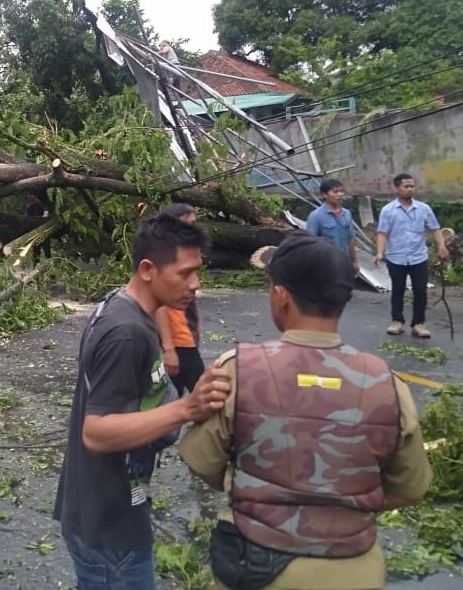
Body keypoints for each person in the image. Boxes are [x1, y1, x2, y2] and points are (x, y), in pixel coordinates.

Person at [180, 231, 433, 590]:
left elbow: (203, 463)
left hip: (256, 565)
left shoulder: (237, 370)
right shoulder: (387, 384)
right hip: (353, 572)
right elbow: (411, 488)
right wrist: (339, 505)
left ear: (281, 297)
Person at [54, 213, 230, 588]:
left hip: (112, 504)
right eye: (184, 273)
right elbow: (96, 433)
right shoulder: (126, 331)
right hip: (107, 520)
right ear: (148, 269)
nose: (196, 284)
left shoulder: (129, 309)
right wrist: (187, 408)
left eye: (197, 271)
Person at [373, 173, 449, 339]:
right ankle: (397, 322)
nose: (409, 189)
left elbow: (435, 229)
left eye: (412, 186)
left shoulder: (423, 209)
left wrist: (441, 246)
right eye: (406, 186)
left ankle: (418, 324)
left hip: (418, 257)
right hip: (396, 257)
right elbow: (383, 234)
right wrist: (380, 252)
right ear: (397, 188)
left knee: (420, 291)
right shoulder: (388, 211)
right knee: (398, 290)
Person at [155, 203, 205, 395]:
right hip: (179, 341)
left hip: (186, 339)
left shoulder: (184, 254)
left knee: (171, 395)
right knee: (204, 397)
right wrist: (168, 349)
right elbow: (159, 305)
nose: (194, 229)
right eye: (189, 224)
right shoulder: (168, 259)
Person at [306, 178, 360, 274]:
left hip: (344, 263)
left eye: (341, 191)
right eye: (335, 192)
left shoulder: (346, 214)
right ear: (324, 195)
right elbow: (310, 245)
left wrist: (354, 261)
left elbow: (350, 239)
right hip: (326, 266)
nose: (340, 194)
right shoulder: (316, 216)